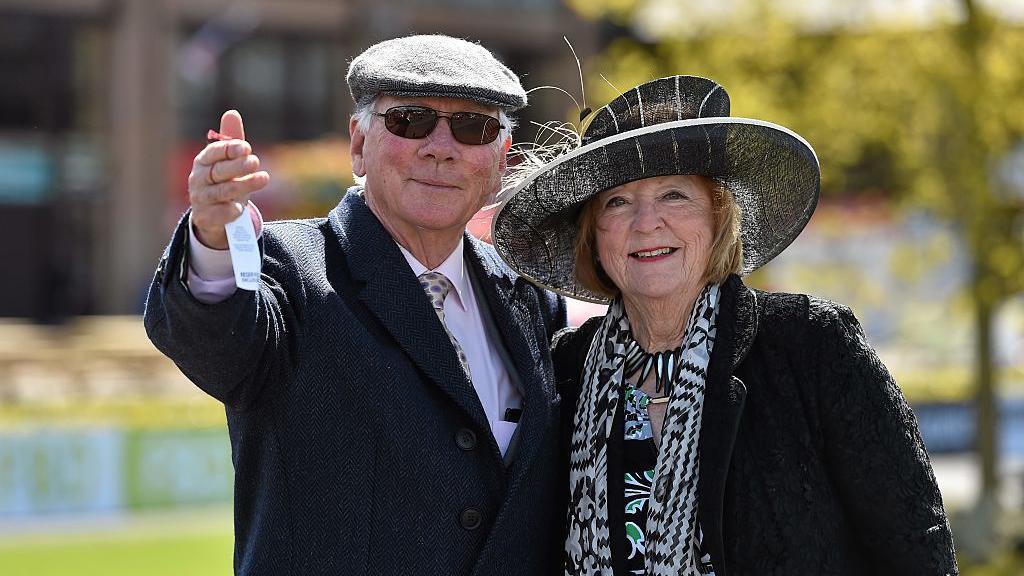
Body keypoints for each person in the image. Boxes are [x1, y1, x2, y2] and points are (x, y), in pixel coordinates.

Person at [491, 75, 957, 575]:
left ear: (718, 217)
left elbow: (915, 546)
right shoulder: (568, 368)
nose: (646, 223)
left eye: (674, 195)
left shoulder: (809, 345)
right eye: (618, 202)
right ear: (594, 236)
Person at [144, 35, 567, 576]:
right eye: (411, 121)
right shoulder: (292, 270)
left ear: (500, 159)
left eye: (472, 127)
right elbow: (216, 341)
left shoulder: (531, 301)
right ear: (358, 144)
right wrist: (213, 237)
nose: (441, 146)